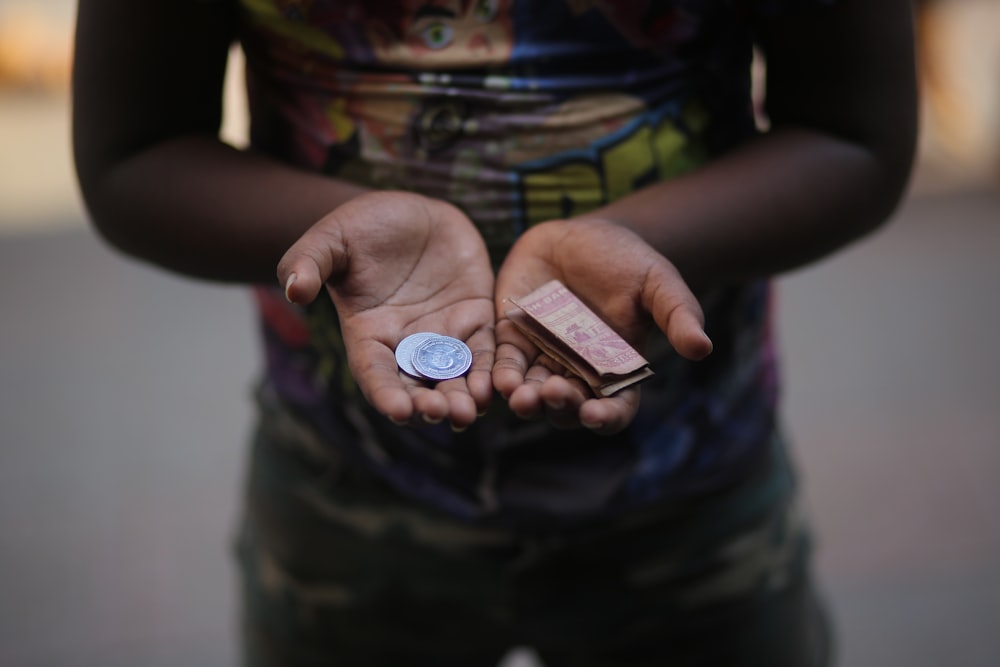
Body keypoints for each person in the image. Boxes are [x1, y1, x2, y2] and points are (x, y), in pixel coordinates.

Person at [72, 0, 917, 665]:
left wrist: (651, 243)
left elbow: (855, 136)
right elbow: (134, 154)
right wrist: (338, 227)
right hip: (349, 493)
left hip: (692, 493)